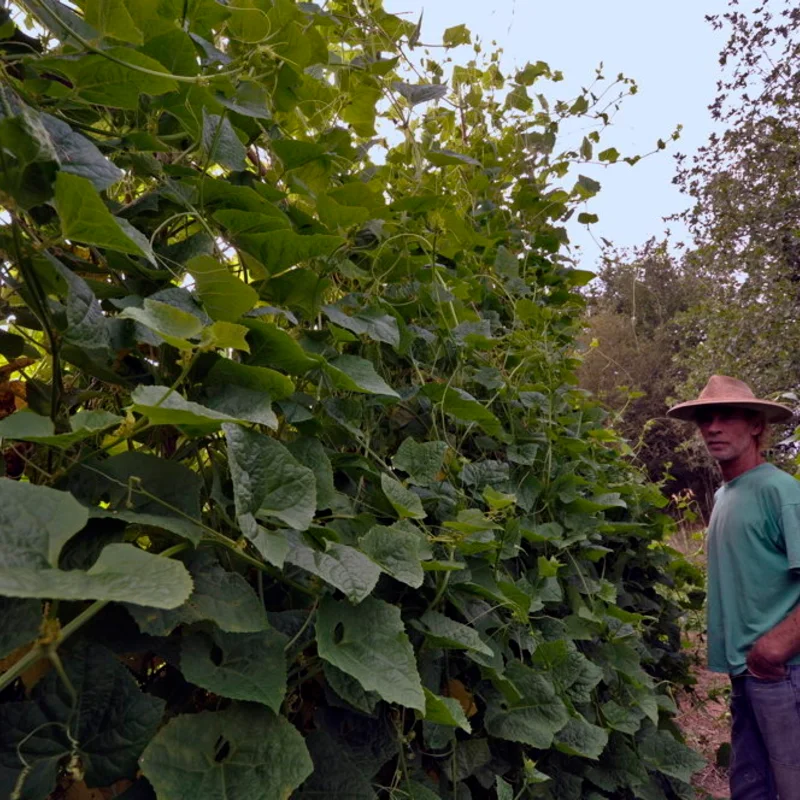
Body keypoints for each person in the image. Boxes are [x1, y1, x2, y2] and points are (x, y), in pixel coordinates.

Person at [667, 375, 799, 799]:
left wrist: (776, 647)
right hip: (748, 673)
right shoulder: (727, 494)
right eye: (706, 418)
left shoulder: (781, 492)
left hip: (783, 674)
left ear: (757, 425)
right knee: (752, 787)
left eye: (727, 416)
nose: (713, 427)